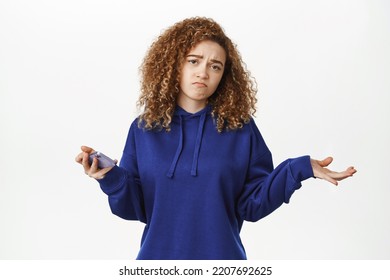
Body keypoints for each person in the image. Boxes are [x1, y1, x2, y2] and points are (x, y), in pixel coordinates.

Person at [75, 17, 356, 260]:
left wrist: (299, 168)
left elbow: (253, 205)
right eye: (194, 61)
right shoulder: (144, 129)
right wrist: (110, 176)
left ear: (224, 75)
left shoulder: (241, 128)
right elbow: (135, 208)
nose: (203, 72)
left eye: (216, 66)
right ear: (174, 65)